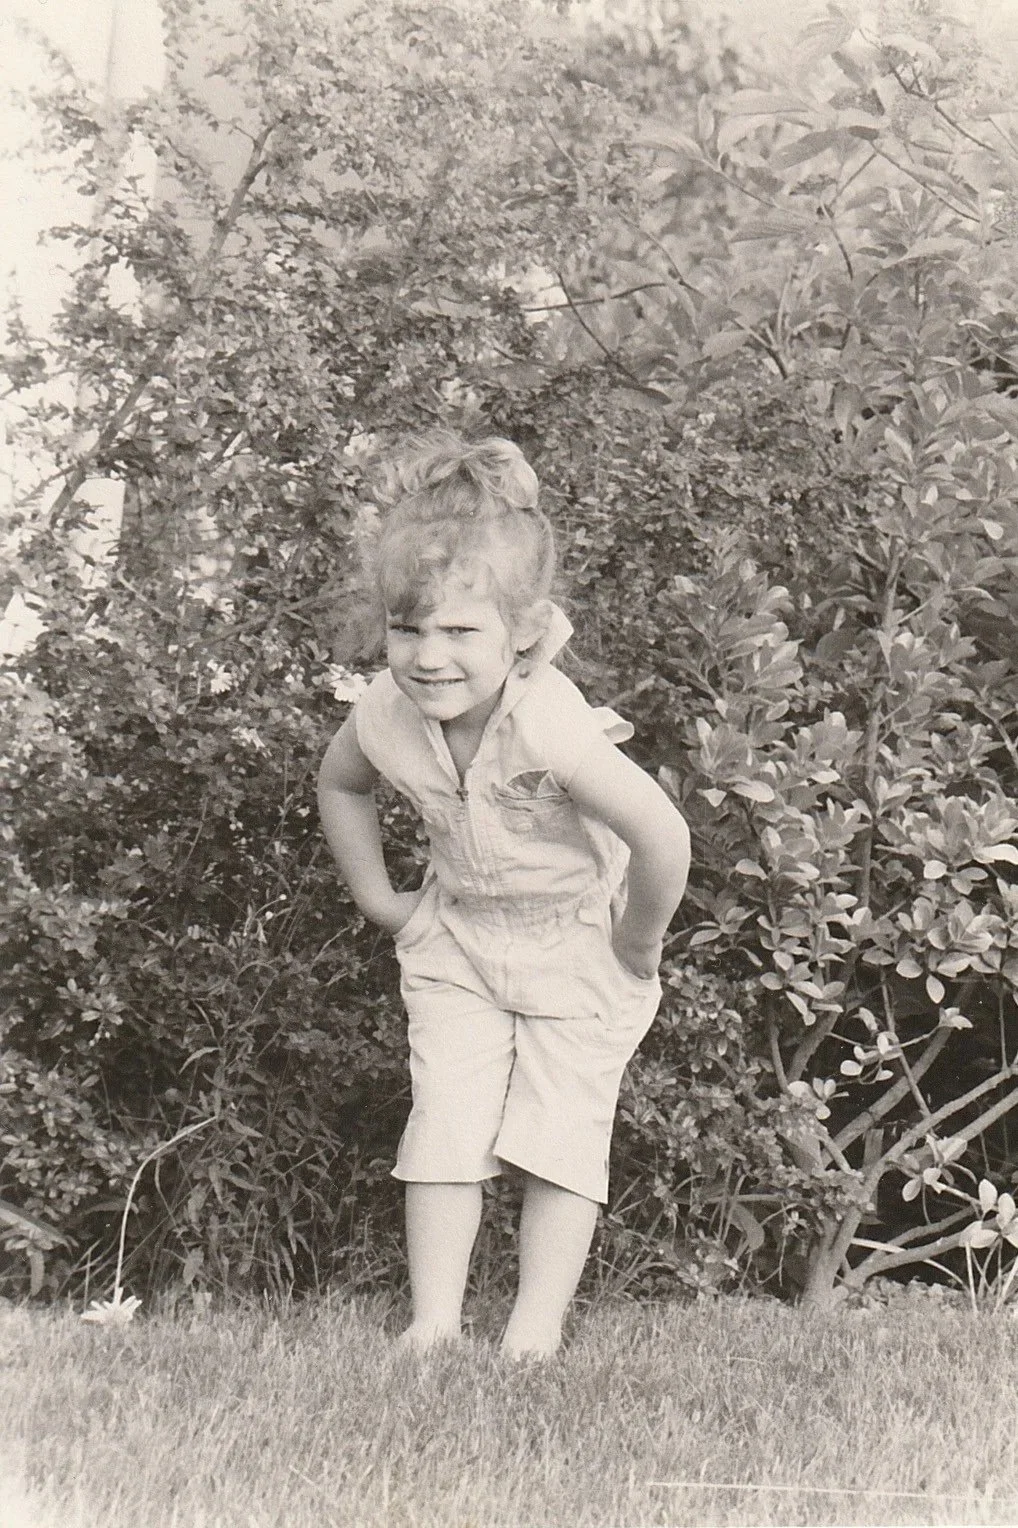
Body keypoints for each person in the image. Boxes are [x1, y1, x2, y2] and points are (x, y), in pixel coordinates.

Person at [317, 430, 690, 1359]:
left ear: (522, 631)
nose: (429, 655)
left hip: (577, 942)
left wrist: (639, 940)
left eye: (459, 631)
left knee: (562, 1129)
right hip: (458, 940)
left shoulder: (552, 728)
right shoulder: (385, 713)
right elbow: (341, 783)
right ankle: (434, 1322)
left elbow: (661, 833)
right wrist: (380, 899)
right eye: (408, 629)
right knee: (445, 1118)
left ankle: (533, 1330)